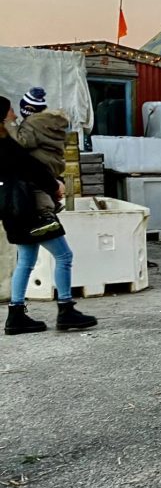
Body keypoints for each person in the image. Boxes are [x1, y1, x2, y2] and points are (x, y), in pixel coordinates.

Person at [2, 96, 98, 335]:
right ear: (2, 116)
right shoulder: (7, 145)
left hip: (12, 210)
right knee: (64, 255)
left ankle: (16, 316)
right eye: (11, 111)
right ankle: (66, 309)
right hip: (31, 210)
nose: (14, 115)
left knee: (25, 261)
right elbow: (31, 168)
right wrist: (54, 185)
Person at [5, 87, 69, 237]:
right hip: (55, 161)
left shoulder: (32, 123)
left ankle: (47, 215)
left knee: (35, 183)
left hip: (42, 162)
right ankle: (54, 203)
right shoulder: (52, 122)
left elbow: (23, 142)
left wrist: (11, 125)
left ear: (27, 109)